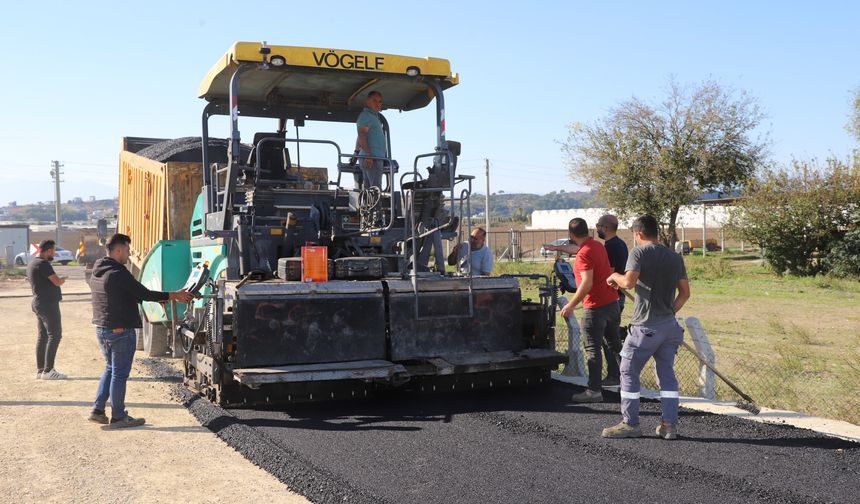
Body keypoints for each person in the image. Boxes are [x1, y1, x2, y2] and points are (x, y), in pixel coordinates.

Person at [88, 233, 195, 429]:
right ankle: (119, 416)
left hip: (102, 330)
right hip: (120, 331)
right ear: (118, 250)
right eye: (127, 250)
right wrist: (173, 295)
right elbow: (143, 293)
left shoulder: (98, 269)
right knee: (119, 374)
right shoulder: (118, 272)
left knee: (111, 369)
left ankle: (97, 410)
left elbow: (123, 294)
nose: (129, 254)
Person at [602, 215, 690, 440]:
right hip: (669, 328)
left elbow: (629, 282)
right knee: (666, 375)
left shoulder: (638, 252)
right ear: (656, 233)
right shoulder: (674, 257)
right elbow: (685, 293)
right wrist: (669, 313)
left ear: (638, 234)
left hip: (644, 329)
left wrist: (614, 277)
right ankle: (669, 425)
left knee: (628, 371)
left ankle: (630, 423)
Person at [559, 218, 622, 402]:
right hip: (612, 303)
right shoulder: (597, 246)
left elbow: (587, 282)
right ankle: (628, 382)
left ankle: (594, 391)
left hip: (595, 308)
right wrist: (558, 249)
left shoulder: (583, 254)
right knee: (616, 346)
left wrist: (570, 305)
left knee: (593, 350)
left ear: (571, 235)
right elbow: (581, 250)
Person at [26, 240, 67, 380]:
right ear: (48, 251)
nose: (54, 253)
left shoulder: (32, 263)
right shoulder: (43, 264)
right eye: (53, 251)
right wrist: (62, 280)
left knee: (43, 336)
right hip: (47, 304)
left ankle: (41, 370)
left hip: (39, 303)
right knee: (55, 335)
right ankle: (49, 370)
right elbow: (56, 281)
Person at [596, 214, 629, 386]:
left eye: (598, 225)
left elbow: (608, 272)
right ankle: (619, 373)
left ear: (606, 227)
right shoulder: (621, 244)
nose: (597, 229)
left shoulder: (609, 247)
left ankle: (615, 375)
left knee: (608, 338)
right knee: (611, 337)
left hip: (611, 298)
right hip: (618, 297)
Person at [352, 91, 387, 190]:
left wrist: (356, 152)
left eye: (380, 102)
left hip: (372, 157)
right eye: (374, 101)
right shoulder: (366, 116)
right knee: (375, 190)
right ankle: (375, 206)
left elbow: (360, 136)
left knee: (369, 190)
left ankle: (369, 205)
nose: (377, 104)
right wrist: (368, 155)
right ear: (367, 102)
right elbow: (361, 134)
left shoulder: (373, 116)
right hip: (372, 158)